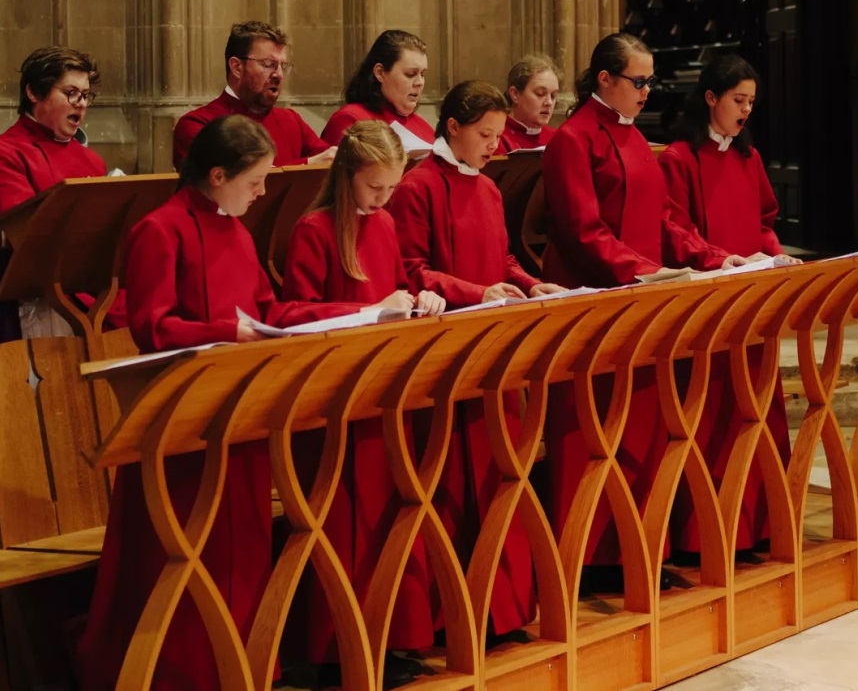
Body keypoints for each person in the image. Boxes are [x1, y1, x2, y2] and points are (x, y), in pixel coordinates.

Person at [76, 115, 362, 691]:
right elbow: (152, 328)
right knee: (181, 554)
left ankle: (247, 667)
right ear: (216, 174)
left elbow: (269, 311)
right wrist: (228, 333)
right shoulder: (160, 230)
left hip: (241, 413)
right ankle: (183, 676)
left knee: (247, 546)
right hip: (181, 421)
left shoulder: (235, 228)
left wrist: (355, 314)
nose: (262, 193)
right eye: (255, 181)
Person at [539, 33, 746, 593]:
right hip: (596, 306)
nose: (648, 91)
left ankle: (638, 547)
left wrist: (715, 257)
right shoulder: (573, 139)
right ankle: (586, 560)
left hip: (643, 304)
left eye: (650, 80)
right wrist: (642, 271)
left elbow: (665, 220)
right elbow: (583, 230)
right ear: (604, 79)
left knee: (643, 431)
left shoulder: (634, 138)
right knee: (591, 433)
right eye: (639, 81)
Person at [386, 80, 565, 646]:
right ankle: (447, 616)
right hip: (443, 356)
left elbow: (505, 257)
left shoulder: (487, 189)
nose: (494, 145)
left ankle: (500, 609)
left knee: (498, 475)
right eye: (485, 135)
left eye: (496, 134)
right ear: (454, 128)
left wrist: (532, 285)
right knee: (451, 485)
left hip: (494, 354)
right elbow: (411, 271)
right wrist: (476, 292)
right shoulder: (417, 187)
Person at [280, 120, 445, 686]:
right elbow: (294, 313)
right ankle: (334, 647)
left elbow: (395, 283)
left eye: (391, 189)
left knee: (389, 517)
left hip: (385, 392)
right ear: (348, 176)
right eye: (375, 188)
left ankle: (392, 636)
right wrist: (370, 314)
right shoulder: (314, 229)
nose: (383, 199)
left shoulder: (386, 221)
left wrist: (419, 298)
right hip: (334, 400)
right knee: (345, 521)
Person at [659, 54, 795, 562]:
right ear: (711, 98)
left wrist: (776, 254)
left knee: (757, 410)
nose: (745, 112)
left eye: (752, 103)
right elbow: (673, 230)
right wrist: (721, 260)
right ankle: (708, 536)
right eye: (738, 100)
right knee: (714, 417)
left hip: (752, 303)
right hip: (709, 306)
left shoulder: (748, 158)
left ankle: (759, 525)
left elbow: (764, 219)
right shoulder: (678, 158)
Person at [0, 46, 114, 341]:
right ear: (33, 93)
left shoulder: (92, 161)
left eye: (85, 95)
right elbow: (30, 241)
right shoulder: (1, 156)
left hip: (83, 286)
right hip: (23, 298)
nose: (81, 104)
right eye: (70, 93)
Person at [172, 21, 336, 168]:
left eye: (283, 66)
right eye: (268, 64)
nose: (278, 74)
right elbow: (236, 181)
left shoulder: (291, 120)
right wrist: (306, 164)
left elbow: (329, 162)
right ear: (237, 67)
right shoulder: (198, 124)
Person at [321, 30, 435, 146]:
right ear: (380, 73)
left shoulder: (423, 127)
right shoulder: (350, 119)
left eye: (422, 74)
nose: (420, 82)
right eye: (410, 74)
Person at [498, 54, 560, 153]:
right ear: (515, 94)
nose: (549, 102)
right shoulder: (496, 137)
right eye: (540, 94)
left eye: (553, 96)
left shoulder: (557, 138)